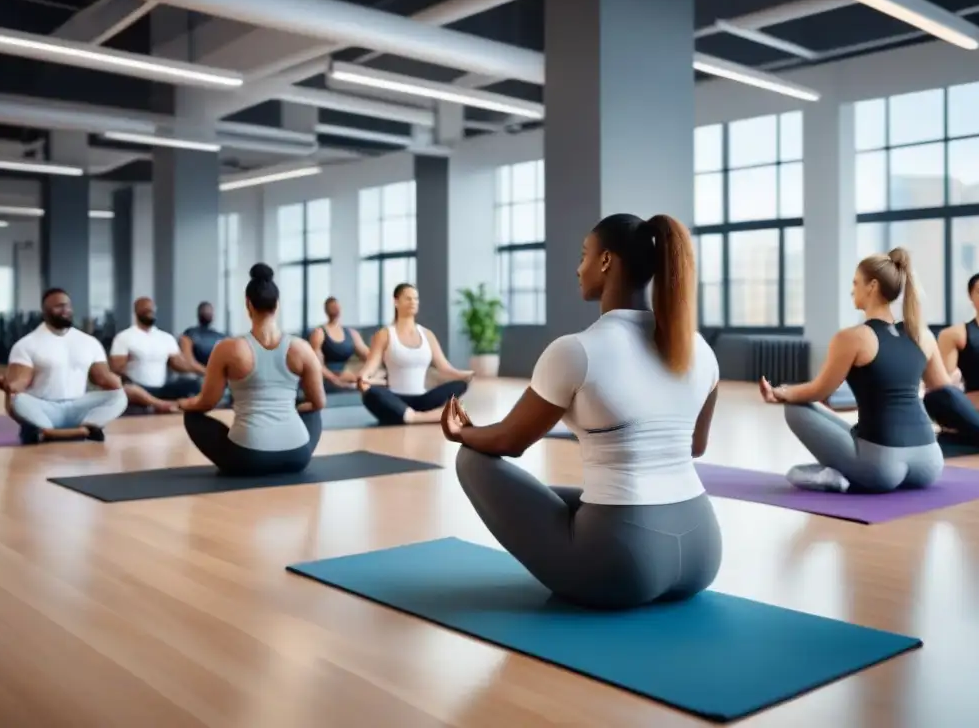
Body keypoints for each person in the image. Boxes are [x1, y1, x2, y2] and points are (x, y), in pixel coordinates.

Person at [441, 213, 722, 610]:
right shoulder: (699, 349)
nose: (578, 268)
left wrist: (461, 433)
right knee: (558, 498)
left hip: (624, 564)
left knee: (472, 461)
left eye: (584, 255)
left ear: (606, 261)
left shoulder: (576, 350)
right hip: (702, 550)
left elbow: (509, 441)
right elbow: (696, 446)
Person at [760, 248, 949, 493]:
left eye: (855, 283)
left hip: (881, 467)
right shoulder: (922, 335)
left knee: (795, 411)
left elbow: (818, 391)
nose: (852, 290)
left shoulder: (853, 338)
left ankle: (837, 477)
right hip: (930, 461)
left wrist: (781, 392)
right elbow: (942, 387)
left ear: (871, 286)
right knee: (853, 430)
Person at [178, 263, 326, 475]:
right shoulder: (302, 348)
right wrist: (295, 409)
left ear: (248, 304)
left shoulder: (228, 348)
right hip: (298, 455)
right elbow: (319, 402)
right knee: (313, 412)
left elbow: (207, 402)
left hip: (249, 458)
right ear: (278, 304)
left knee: (191, 416)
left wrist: (185, 403)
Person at [1, 288, 127, 444]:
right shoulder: (26, 345)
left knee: (119, 396)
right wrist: (10, 386)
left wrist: (114, 381)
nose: (65, 310)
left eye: (67, 306)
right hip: (45, 409)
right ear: (45, 311)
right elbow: (20, 382)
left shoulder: (89, 342)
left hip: (78, 407)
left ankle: (87, 425)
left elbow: (101, 378)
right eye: (58, 306)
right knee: (17, 400)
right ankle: (51, 430)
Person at [357, 283, 474, 425]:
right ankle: (423, 417)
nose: (413, 302)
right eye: (408, 298)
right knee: (372, 393)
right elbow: (370, 366)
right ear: (396, 302)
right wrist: (363, 378)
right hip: (395, 400)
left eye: (415, 299)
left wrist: (467, 376)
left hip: (423, 400)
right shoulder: (384, 334)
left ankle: (414, 415)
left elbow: (444, 368)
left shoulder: (427, 334)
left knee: (460, 384)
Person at [923, 272, 979, 451]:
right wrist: (953, 377)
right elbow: (943, 383)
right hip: (976, 417)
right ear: (971, 296)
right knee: (938, 396)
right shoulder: (956, 334)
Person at [110, 297, 201, 412]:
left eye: (152, 310)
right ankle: (162, 405)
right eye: (146, 310)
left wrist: (204, 371)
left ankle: (165, 404)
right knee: (127, 389)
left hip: (162, 389)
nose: (150, 312)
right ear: (137, 311)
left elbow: (179, 364)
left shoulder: (166, 338)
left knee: (193, 384)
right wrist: (126, 364)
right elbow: (116, 369)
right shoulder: (124, 337)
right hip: (139, 390)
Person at [308, 296, 372, 391]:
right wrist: (335, 380)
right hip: (327, 378)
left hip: (346, 375)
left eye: (336, 306)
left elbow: (370, 357)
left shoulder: (351, 333)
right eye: (332, 306)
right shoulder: (319, 333)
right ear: (326, 310)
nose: (335, 309)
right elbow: (316, 364)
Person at [180, 302, 227, 374]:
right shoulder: (189, 334)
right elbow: (188, 361)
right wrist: (206, 372)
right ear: (199, 313)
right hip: (196, 377)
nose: (207, 312)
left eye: (209, 311)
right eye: (205, 310)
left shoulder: (220, 336)